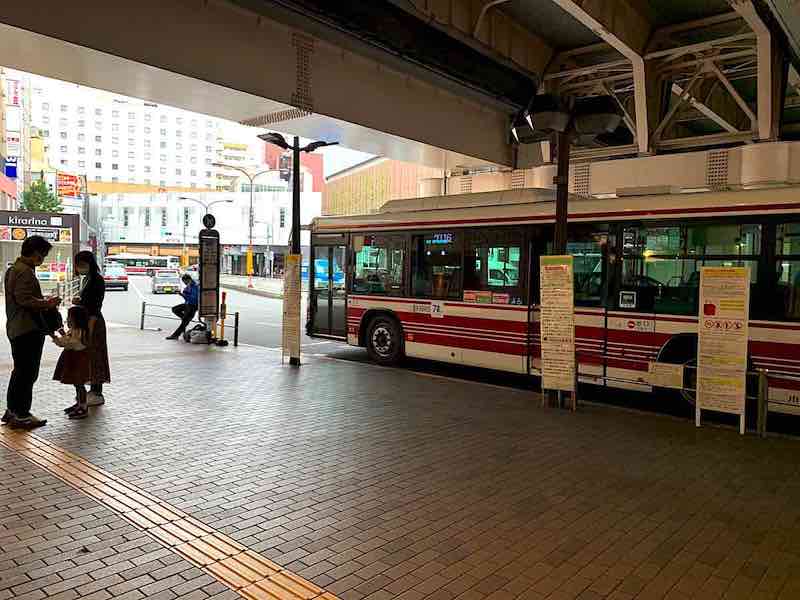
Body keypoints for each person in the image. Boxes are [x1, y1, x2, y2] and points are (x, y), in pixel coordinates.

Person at [2, 236, 61, 429]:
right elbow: (24, 300)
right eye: (43, 254)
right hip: (27, 329)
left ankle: (12, 411)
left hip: (17, 328)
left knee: (20, 372)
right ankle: (22, 414)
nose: (43, 258)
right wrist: (48, 303)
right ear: (36, 252)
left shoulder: (12, 269)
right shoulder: (24, 272)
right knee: (27, 373)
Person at [72, 251, 110, 406]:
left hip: (93, 323)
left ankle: (97, 392)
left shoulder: (97, 280)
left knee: (96, 356)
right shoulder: (87, 279)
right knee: (88, 356)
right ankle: (92, 391)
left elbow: (95, 307)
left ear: (90, 264)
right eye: (78, 265)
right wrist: (78, 300)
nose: (80, 268)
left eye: (83, 265)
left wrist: (90, 330)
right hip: (86, 321)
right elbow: (87, 301)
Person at [53, 306, 92, 420]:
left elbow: (72, 343)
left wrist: (60, 337)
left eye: (69, 317)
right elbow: (66, 341)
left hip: (78, 360)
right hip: (73, 359)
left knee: (79, 383)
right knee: (77, 383)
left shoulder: (80, 332)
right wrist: (60, 336)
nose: (67, 320)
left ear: (77, 319)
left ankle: (83, 407)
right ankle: (79, 403)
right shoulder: (74, 331)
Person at [166, 274, 199, 340]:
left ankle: (175, 335)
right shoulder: (189, 286)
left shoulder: (194, 286)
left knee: (184, 323)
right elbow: (187, 297)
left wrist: (182, 294)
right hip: (187, 304)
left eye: (185, 282)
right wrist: (183, 294)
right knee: (175, 309)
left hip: (192, 306)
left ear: (188, 280)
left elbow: (193, 299)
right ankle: (185, 318)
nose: (185, 284)